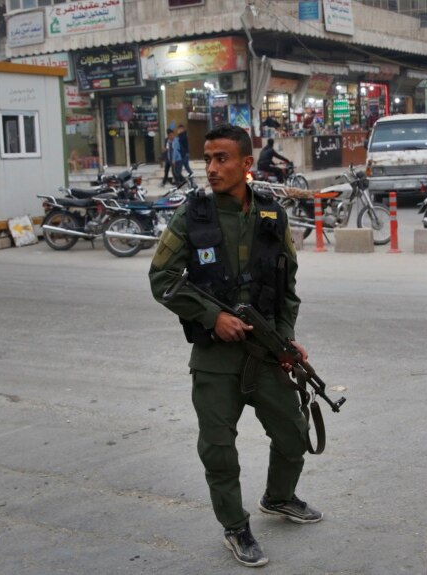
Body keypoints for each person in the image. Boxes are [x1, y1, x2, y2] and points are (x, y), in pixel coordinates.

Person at [149, 124, 320, 568]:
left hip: (265, 351)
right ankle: (235, 526)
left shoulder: (271, 215)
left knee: (293, 434)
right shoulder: (193, 216)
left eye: (222, 158)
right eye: (207, 159)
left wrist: (286, 337)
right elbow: (161, 280)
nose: (212, 168)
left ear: (247, 164)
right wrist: (212, 317)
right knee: (218, 449)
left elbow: (288, 286)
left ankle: (279, 497)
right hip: (215, 358)